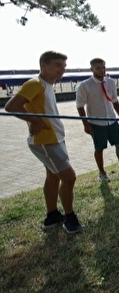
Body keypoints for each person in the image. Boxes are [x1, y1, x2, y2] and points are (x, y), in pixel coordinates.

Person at [4, 51, 83, 234]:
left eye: (64, 66)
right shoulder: (35, 83)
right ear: (44, 66)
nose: (62, 70)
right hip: (46, 141)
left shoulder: (46, 84)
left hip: (54, 138)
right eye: (58, 65)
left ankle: (52, 216)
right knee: (69, 177)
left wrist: (34, 119)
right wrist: (35, 121)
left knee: (53, 176)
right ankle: (70, 219)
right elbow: (11, 106)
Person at [76, 58, 119, 183]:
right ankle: (102, 173)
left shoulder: (110, 82)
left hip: (112, 120)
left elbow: (114, 100)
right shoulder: (85, 85)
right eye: (98, 68)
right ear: (91, 69)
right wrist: (85, 124)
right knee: (99, 148)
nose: (102, 70)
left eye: (103, 67)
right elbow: (80, 106)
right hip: (96, 123)